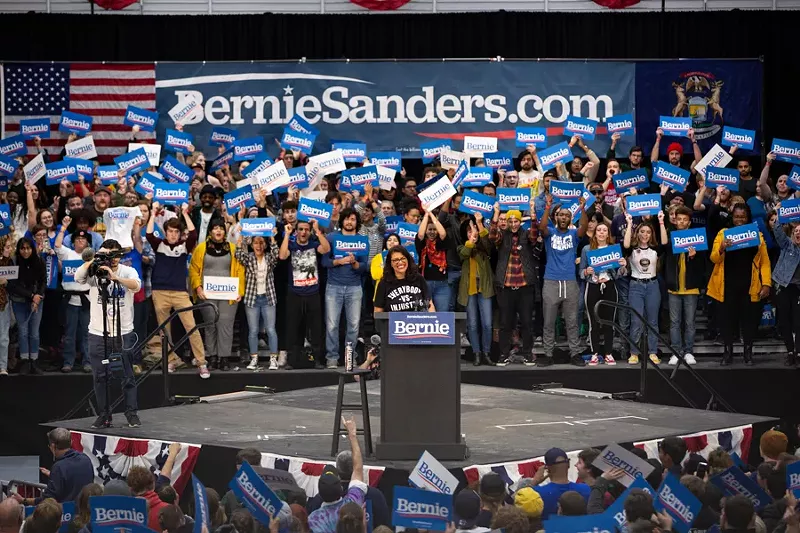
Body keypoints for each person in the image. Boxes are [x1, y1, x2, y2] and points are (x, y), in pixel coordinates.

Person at [74, 239, 142, 429]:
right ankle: (104, 415)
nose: (111, 259)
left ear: (120, 255)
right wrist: (94, 260)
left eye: (114, 255)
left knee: (127, 376)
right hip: (97, 333)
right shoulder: (94, 271)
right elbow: (78, 278)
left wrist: (115, 277)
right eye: (107, 254)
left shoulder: (127, 270)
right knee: (100, 377)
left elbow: (136, 285)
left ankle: (131, 413)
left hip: (123, 332)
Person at [147, 202, 208, 377]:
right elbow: (149, 233)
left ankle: (201, 362)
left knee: (191, 327)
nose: (173, 234)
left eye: (176, 232)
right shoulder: (158, 245)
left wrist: (185, 213)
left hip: (180, 292)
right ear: (165, 232)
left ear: (180, 234)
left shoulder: (183, 246)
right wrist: (152, 213)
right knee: (164, 331)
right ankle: (170, 360)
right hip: (160, 292)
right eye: (170, 231)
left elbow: (194, 234)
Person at [708, 203, 771, 366]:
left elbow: (764, 262)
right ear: (732, 217)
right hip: (726, 285)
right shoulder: (723, 234)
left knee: (749, 321)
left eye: (743, 217)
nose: (739, 220)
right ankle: (727, 353)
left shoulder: (756, 234)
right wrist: (721, 248)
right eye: (736, 217)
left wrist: (766, 284)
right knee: (727, 320)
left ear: (748, 218)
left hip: (750, 285)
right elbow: (713, 258)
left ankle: (748, 352)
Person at [539, 196, 590, 367]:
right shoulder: (550, 233)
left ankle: (575, 353)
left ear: (570, 219)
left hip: (569, 281)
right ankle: (548, 354)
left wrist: (582, 208)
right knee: (548, 321)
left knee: (572, 321)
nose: (563, 217)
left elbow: (583, 226)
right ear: (556, 217)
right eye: (561, 215)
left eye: (567, 215)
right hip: (551, 281)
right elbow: (542, 227)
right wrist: (547, 207)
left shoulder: (574, 235)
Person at [189, 219, 245, 371]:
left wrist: (240, 290)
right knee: (210, 324)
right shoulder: (201, 248)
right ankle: (212, 357)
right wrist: (197, 287)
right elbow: (193, 270)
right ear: (210, 231)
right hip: (207, 293)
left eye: (221, 228)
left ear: (225, 232)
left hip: (229, 293)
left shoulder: (233, 248)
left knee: (225, 325)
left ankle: (224, 358)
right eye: (215, 228)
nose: (218, 231)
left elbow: (240, 270)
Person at [491, 205, 539, 366]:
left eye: (516, 221)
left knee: (526, 322)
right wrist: (496, 214)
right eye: (510, 221)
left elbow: (534, 235)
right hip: (506, 287)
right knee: (505, 323)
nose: (513, 224)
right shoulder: (502, 236)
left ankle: (527, 353)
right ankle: (504, 354)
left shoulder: (526, 235)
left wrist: (533, 216)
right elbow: (492, 235)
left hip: (525, 287)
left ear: (520, 222)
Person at [279, 219, 330, 370]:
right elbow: (282, 256)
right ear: (296, 231)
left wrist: (317, 230)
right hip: (295, 293)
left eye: (306, 230)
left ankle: (318, 360)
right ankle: (292, 360)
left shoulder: (314, 245)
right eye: (300, 229)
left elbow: (326, 249)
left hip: (313, 293)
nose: (303, 232)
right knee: (293, 327)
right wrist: (287, 235)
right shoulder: (292, 245)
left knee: (315, 328)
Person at [321, 208, 367, 369]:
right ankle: (332, 357)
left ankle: (350, 357)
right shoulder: (332, 237)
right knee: (332, 324)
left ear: (357, 222)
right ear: (342, 221)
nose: (349, 222)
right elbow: (324, 262)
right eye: (347, 219)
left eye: (353, 219)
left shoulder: (362, 240)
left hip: (354, 288)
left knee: (353, 325)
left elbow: (364, 267)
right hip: (334, 287)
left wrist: (355, 263)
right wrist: (338, 262)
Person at [307, 417, 367, 533]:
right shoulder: (352, 503)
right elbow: (358, 469)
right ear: (340, 488)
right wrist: (352, 435)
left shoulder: (313, 519)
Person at [579, 222, 627, 366]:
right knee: (593, 322)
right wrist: (586, 272)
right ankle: (595, 353)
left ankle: (608, 353)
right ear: (595, 233)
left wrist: (624, 266)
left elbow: (620, 274)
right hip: (593, 286)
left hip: (610, 286)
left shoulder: (614, 249)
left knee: (609, 322)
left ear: (608, 234)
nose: (601, 232)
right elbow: (580, 272)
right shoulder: (587, 249)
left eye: (604, 230)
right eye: (598, 230)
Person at [624, 211, 668, 365]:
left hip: (652, 286)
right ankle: (634, 352)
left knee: (653, 321)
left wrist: (661, 222)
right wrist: (629, 223)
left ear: (651, 234)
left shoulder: (655, 249)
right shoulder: (632, 249)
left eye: (648, 232)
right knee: (636, 320)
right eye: (642, 231)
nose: (645, 234)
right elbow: (626, 244)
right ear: (638, 233)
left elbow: (664, 243)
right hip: (636, 285)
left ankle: (653, 352)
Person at [307, 451, 390, 528]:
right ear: (357, 469)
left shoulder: (320, 499)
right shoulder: (375, 495)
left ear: (337, 471)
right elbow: (384, 526)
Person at [664, 206, 704, 366]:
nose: (681, 222)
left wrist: (694, 257)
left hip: (691, 287)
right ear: (675, 221)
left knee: (689, 322)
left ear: (689, 222)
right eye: (679, 219)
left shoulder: (697, 238)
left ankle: (688, 351)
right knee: (674, 322)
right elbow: (664, 251)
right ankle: (676, 352)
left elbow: (703, 266)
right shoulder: (670, 236)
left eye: (684, 219)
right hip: (674, 287)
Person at [12, 428, 92, 506]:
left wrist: (24, 500)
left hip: (67, 514)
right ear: (71, 442)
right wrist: (53, 475)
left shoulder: (59, 467)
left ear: (53, 446)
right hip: (85, 511)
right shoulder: (85, 459)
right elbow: (74, 479)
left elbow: (47, 500)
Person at [235, 232, 280, 371]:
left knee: (271, 330)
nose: (258, 246)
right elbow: (238, 254)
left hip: (268, 298)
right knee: (253, 331)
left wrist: (272, 237)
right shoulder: (248, 258)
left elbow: (276, 253)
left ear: (265, 245)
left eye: (261, 243)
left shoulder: (269, 258)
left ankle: (273, 360)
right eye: (256, 243)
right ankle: (254, 359)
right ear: (251, 245)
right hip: (252, 298)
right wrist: (241, 237)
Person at [54, 220, 92, 373]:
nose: (80, 241)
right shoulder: (68, 254)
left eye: (83, 239)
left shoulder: (91, 257)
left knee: (87, 333)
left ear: (87, 242)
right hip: (70, 299)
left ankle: (87, 361)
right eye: (77, 239)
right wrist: (63, 228)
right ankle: (68, 362)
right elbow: (57, 246)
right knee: (69, 333)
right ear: (73, 242)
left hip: (86, 300)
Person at [458, 213, 495, 367]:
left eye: (473, 230)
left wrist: (479, 225)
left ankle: (486, 353)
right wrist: (471, 240)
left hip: (484, 289)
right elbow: (464, 254)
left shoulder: (485, 249)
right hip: (469, 291)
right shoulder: (462, 247)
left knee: (487, 324)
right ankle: (476, 354)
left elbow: (488, 243)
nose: (472, 233)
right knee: (472, 324)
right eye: (469, 230)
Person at [7, 237, 46, 375]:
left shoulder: (39, 260)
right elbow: (12, 285)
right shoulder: (14, 261)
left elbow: (43, 281)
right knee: (23, 332)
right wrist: (31, 296)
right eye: (22, 248)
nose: (25, 251)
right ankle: (24, 360)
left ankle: (34, 361)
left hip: (37, 301)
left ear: (32, 248)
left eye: (28, 248)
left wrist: (37, 298)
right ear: (19, 249)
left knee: (34, 333)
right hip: (19, 301)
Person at [770, 219, 800, 366]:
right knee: (785, 321)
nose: (798, 233)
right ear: (793, 233)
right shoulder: (787, 245)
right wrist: (778, 217)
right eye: (796, 231)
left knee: (798, 321)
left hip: (798, 290)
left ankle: (798, 352)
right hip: (783, 286)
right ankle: (790, 351)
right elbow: (777, 233)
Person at [529, 448, 591, 520]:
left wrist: (534, 482)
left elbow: (520, 503)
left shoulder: (535, 494)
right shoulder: (586, 489)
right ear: (569, 465)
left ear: (547, 469)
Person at [373, 244, 433, 313]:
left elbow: (430, 305)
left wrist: (433, 320)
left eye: (403, 258)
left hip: (418, 322)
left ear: (408, 259)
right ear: (390, 263)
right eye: (395, 260)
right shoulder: (383, 283)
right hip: (394, 323)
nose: (400, 262)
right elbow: (378, 312)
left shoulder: (419, 278)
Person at [416, 209, 452, 313]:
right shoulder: (421, 243)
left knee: (442, 316)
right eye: (429, 229)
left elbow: (443, 233)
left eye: (434, 229)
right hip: (424, 284)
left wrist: (432, 215)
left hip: (442, 285)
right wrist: (426, 215)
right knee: (423, 315)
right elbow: (421, 235)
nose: (432, 232)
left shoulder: (441, 242)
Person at [0, 235, 14, 376]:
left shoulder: (10, 262)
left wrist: (7, 283)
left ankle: (2, 367)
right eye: (7, 247)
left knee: (3, 337)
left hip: (3, 303)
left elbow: (15, 283)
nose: (10, 249)